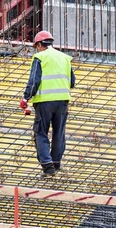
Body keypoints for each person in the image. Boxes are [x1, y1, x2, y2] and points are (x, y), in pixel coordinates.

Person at [19, 31, 75, 177]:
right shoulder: (64, 58)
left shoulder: (39, 57)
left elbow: (34, 81)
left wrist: (26, 98)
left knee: (41, 132)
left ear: (39, 44)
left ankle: (47, 167)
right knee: (59, 133)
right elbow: (72, 82)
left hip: (44, 102)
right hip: (62, 101)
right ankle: (56, 163)